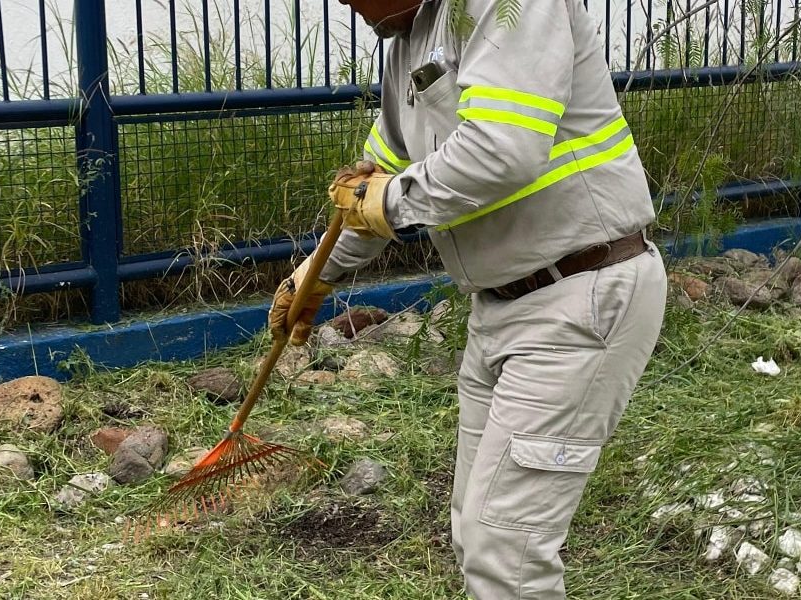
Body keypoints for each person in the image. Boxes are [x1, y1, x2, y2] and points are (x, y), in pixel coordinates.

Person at [268, 0, 667, 596]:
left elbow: (502, 150)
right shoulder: (410, 40)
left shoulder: (508, 6)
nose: (347, 4)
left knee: (505, 550)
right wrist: (313, 277)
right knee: (474, 529)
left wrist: (388, 202)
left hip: (580, 295)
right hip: (501, 304)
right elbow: (374, 182)